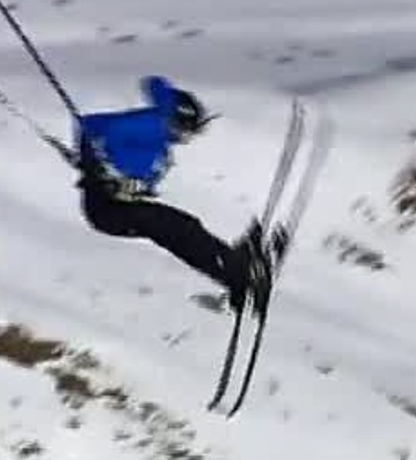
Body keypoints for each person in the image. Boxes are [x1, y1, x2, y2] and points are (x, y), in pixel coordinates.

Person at [73, 75, 280, 310]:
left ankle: (231, 265)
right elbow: (101, 133)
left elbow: (150, 88)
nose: (187, 138)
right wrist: (101, 169)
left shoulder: (159, 136)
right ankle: (234, 271)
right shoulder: (149, 127)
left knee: (182, 227)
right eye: (188, 131)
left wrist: (119, 176)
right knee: (176, 229)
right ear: (177, 122)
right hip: (106, 207)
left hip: (120, 204)